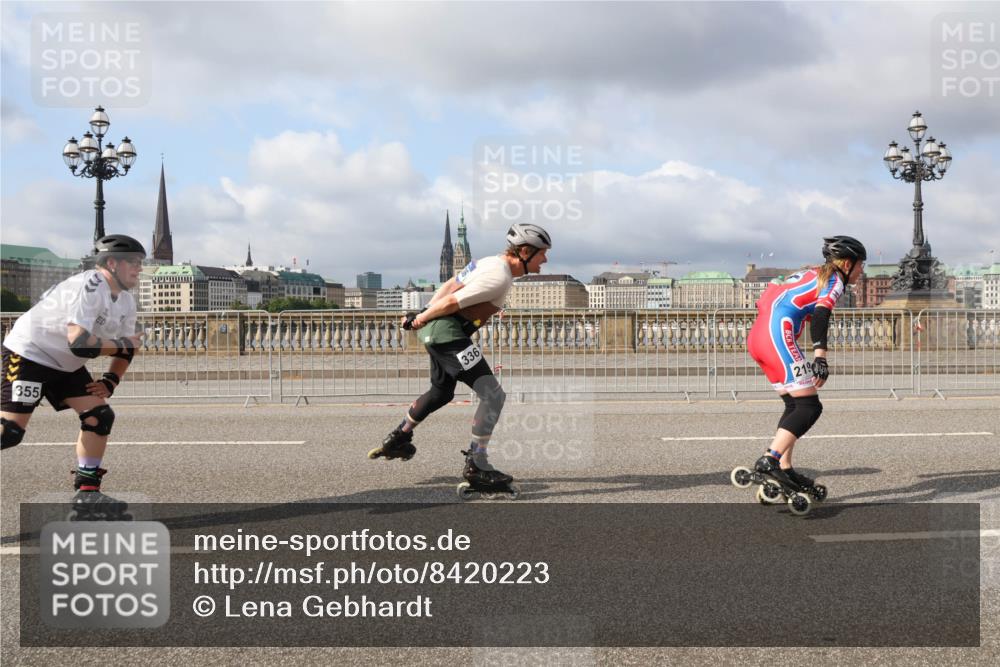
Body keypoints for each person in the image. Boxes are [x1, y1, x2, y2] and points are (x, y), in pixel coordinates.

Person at [369, 223, 552, 497]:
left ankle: (399, 438)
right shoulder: (499, 277)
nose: (545, 260)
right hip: (448, 334)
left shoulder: (488, 262)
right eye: (542, 254)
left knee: (441, 392)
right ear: (525, 252)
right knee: (493, 396)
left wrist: (423, 312)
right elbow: (454, 300)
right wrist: (420, 318)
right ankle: (477, 465)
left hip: (438, 332)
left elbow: (449, 283)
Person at [1, 234, 145, 519]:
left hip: (65, 364)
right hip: (31, 354)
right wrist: (122, 344)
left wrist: (110, 381)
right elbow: (79, 342)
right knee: (9, 433)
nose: (139, 269)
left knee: (99, 415)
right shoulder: (90, 286)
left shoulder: (126, 300)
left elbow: (126, 348)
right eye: (134, 262)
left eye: (141, 263)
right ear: (112, 263)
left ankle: (87, 494)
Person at [745, 235, 867, 494]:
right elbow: (822, 314)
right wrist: (820, 356)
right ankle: (770, 460)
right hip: (777, 335)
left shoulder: (807, 274)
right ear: (847, 264)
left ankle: (785, 467)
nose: (861, 270)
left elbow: (769, 298)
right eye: (860, 265)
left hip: (758, 336)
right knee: (810, 406)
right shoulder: (834, 280)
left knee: (794, 404)